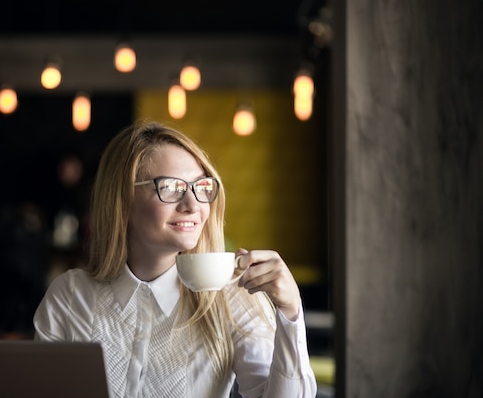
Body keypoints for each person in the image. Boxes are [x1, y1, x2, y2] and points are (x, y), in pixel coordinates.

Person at [33, 121, 317, 398]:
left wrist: (291, 310)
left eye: (201, 187)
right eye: (171, 188)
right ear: (122, 199)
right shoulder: (70, 297)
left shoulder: (234, 299)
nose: (193, 205)